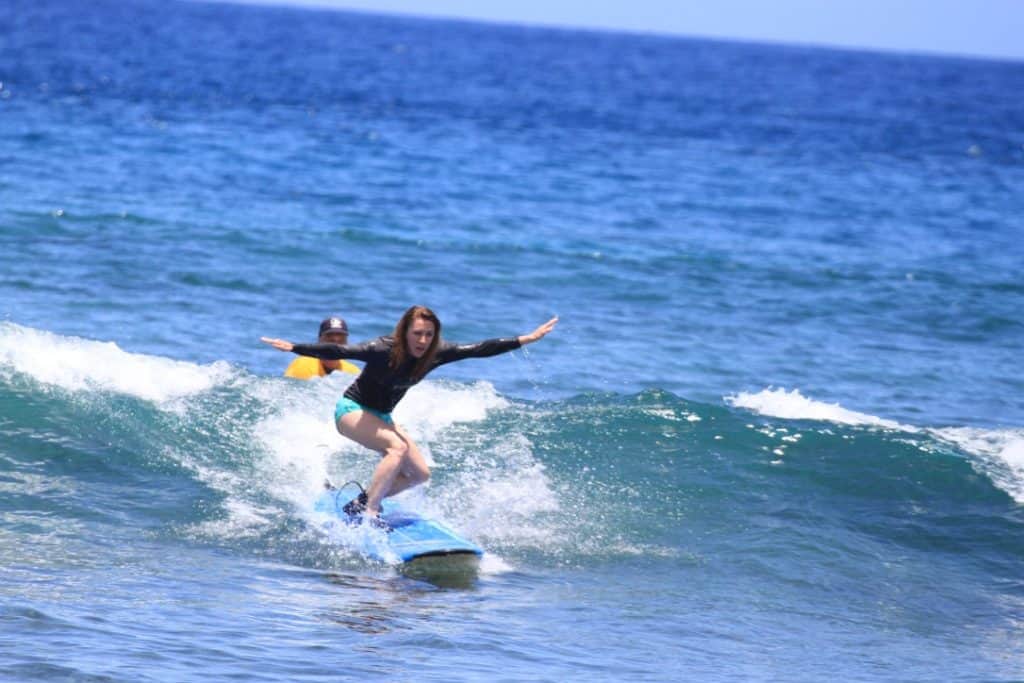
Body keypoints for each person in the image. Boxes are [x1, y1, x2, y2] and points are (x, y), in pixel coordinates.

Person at [262, 306, 558, 520]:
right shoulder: (381, 349)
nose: (423, 340)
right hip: (351, 410)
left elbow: (479, 348)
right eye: (417, 333)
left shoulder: (436, 354)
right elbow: (341, 353)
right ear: (405, 332)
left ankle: (360, 502)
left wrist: (525, 339)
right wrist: (295, 348)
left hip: (382, 416)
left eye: (429, 334)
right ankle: (371, 512)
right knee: (397, 447)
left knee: (419, 474)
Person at [283, 316, 360, 379]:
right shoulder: (302, 365)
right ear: (319, 340)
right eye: (330, 340)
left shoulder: (353, 373)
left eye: (341, 340)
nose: (335, 346)